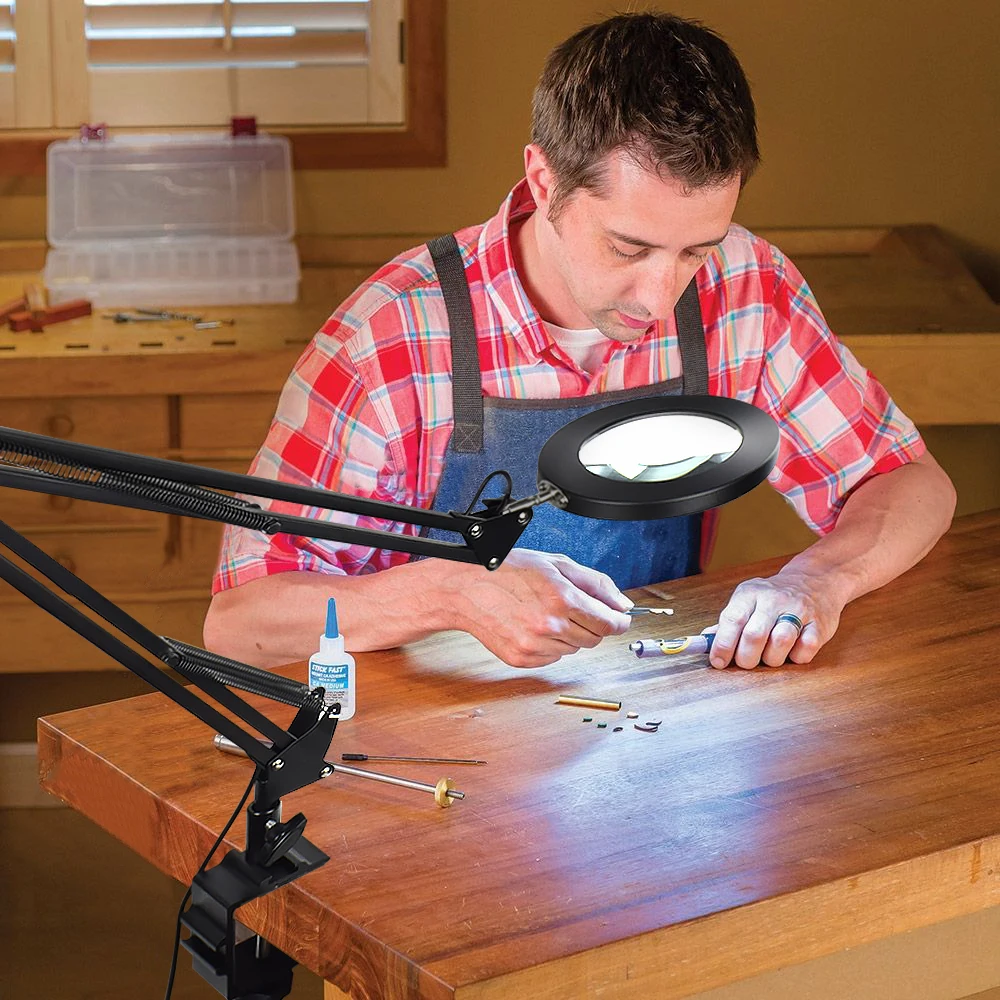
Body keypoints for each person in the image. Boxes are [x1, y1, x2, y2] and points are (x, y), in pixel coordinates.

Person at [203, 12, 955, 673]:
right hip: (433, 742)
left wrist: (814, 582)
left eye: (694, 251)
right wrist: (448, 594)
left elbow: (908, 482)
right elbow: (241, 625)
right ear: (543, 180)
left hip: (645, 708)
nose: (659, 298)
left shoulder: (744, 285)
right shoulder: (390, 338)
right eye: (629, 248)